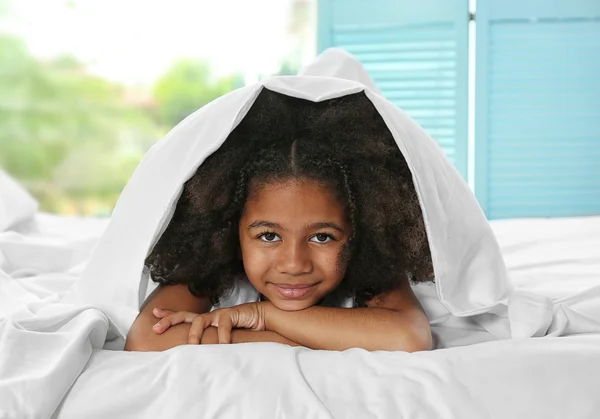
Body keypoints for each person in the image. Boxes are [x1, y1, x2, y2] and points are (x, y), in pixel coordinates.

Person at [124, 89, 434, 352]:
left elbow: (410, 336)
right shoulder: (212, 268)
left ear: (359, 231)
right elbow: (146, 338)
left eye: (322, 236)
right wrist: (295, 339)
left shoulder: (371, 271)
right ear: (230, 230)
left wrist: (262, 316)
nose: (294, 264)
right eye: (269, 236)